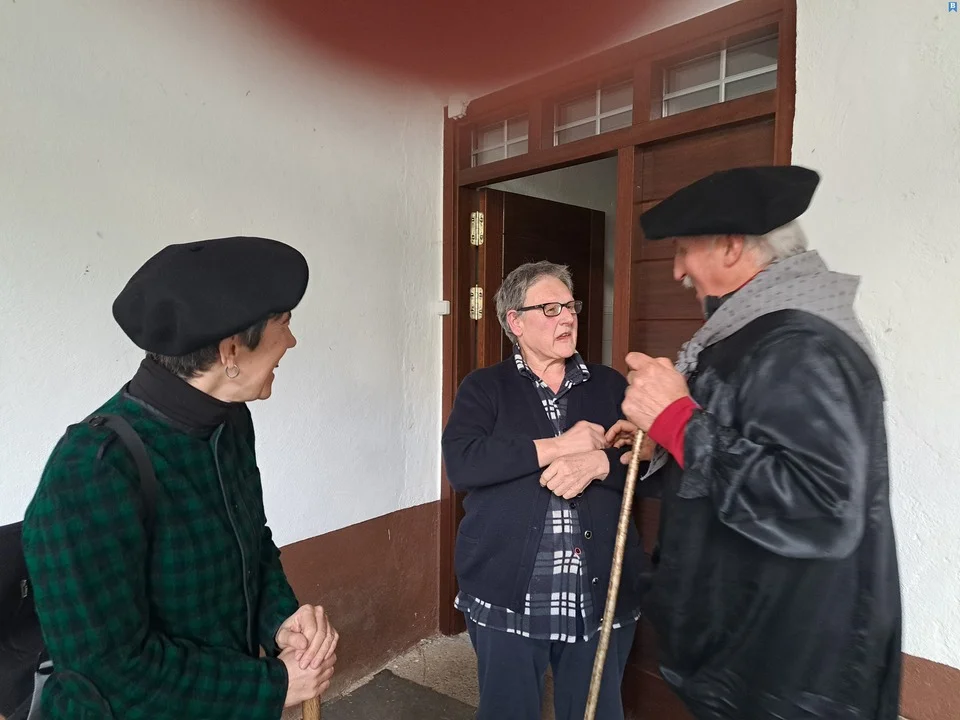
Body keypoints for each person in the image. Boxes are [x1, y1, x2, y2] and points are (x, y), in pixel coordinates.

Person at [618, 166, 902, 719]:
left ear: (731, 246)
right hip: (755, 649)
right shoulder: (754, 331)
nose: (677, 270)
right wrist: (664, 440)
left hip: (787, 671)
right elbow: (748, 445)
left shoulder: (801, 344)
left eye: (683, 250)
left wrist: (677, 420)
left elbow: (820, 506)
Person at [21, 236, 339, 719]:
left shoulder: (230, 422)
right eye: (284, 323)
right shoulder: (92, 469)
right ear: (231, 350)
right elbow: (110, 674)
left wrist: (281, 622)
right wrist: (272, 684)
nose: (291, 342)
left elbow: (252, 544)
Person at [441, 261, 650, 720]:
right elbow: (463, 463)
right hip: (507, 589)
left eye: (571, 306)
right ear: (515, 322)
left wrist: (602, 464)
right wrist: (560, 445)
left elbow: (650, 465)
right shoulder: (485, 388)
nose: (568, 317)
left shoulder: (609, 385)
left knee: (596, 710)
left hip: (599, 591)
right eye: (551, 308)